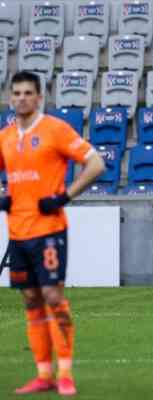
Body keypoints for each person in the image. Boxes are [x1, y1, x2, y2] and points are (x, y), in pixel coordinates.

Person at [2, 71, 106, 396]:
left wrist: (64, 196)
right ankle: (43, 374)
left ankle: (65, 373)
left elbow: (96, 164)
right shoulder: (5, 136)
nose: (21, 98)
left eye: (27, 93)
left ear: (39, 97)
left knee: (53, 297)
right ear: (10, 98)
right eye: (16, 93)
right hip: (17, 231)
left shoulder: (55, 130)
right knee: (31, 299)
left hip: (49, 230)